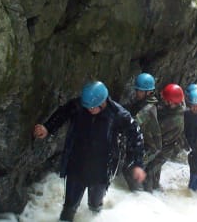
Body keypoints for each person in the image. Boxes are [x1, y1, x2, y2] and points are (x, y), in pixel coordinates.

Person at [33, 81, 146, 221]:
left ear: (103, 101)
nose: (89, 110)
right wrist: (47, 128)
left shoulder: (119, 115)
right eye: (87, 107)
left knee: (94, 206)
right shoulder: (79, 105)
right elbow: (62, 113)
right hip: (76, 164)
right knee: (69, 207)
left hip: (101, 169)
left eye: (92, 107)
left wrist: (138, 164)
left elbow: (136, 137)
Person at [123, 73, 162, 192]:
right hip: (147, 141)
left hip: (151, 147)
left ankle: (138, 194)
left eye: (140, 91)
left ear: (148, 92)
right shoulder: (147, 101)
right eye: (137, 90)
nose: (137, 93)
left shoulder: (148, 108)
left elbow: (133, 123)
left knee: (132, 170)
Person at [145, 83, 185, 191]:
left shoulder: (175, 120)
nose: (163, 100)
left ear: (171, 102)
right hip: (164, 146)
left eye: (165, 99)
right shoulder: (175, 107)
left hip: (163, 149)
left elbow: (155, 132)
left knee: (149, 171)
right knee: (155, 170)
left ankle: (147, 195)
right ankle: (155, 188)